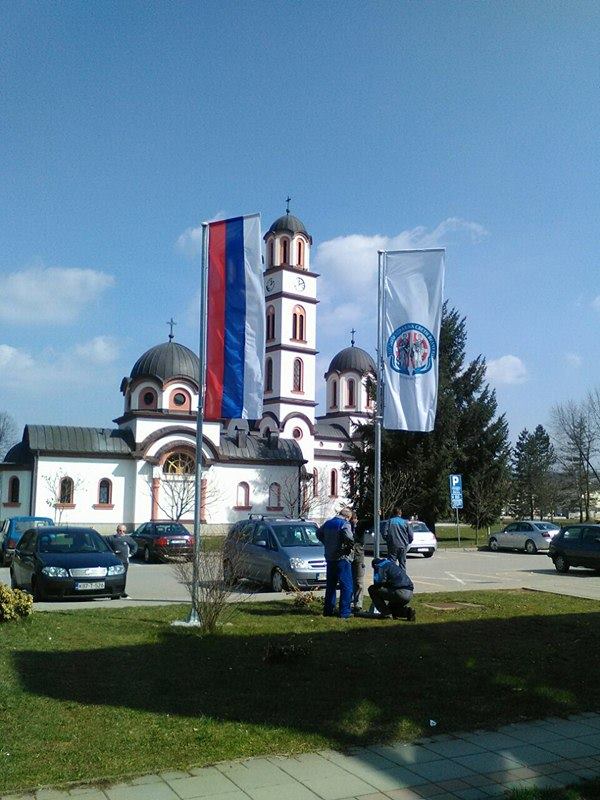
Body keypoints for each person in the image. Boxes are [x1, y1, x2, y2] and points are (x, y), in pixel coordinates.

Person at [316, 507, 354, 619]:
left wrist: (326, 542)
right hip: (342, 558)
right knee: (346, 586)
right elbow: (349, 537)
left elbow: (318, 533)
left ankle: (328, 610)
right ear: (347, 516)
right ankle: (344, 612)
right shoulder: (344, 524)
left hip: (329, 557)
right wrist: (349, 545)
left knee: (331, 586)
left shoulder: (328, 523)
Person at [368, 557, 416, 621]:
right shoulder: (391, 564)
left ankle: (386, 614)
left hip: (400, 592)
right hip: (409, 593)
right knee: (391, 609)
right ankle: (408, 612)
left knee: (372, 589)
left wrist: (376, 574)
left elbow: (378, 582)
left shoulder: (380, 566)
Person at [107, 525, 138, 598]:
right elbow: (102, 541)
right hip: (114, 561)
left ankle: (122, 592)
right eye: (120, 531)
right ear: (117, 530)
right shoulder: (111, 538)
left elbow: (135, 545)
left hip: (124, 561)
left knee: (123, 577)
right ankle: (113, 593)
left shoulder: (128, 538)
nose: (121, 532)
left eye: (123, 531)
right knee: (113, 577)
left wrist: (131, 554)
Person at [351, 513, 367, 613]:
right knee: (349, 580)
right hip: (348, 557)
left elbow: (369, 522)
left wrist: (377, 515)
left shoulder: (360, 527)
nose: (354, 521)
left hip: (358, 557)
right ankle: (350, 602)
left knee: (359, 581)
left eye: (354, 519)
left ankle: (358, 604)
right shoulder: (346, 527)